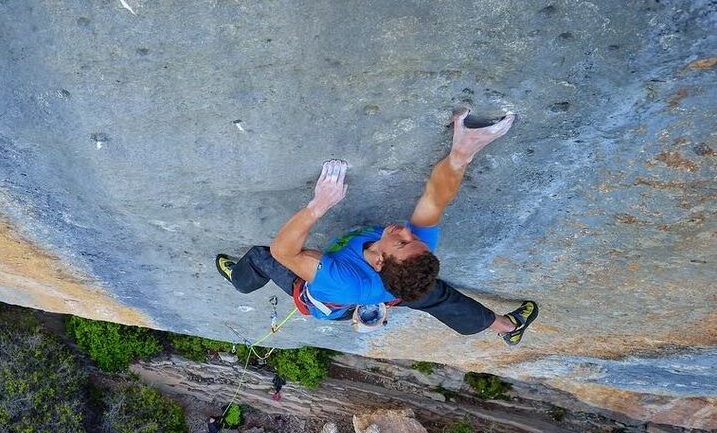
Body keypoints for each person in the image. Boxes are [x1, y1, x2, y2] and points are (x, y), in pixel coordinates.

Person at [215, 109, 538, 345]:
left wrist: (320, 205)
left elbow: (283, 251)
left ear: (381, 261)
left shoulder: (342, 279)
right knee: (436, 294)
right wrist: (460, 155)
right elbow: (436, 198)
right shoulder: (413, 255)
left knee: (259, 258)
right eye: (412, 240)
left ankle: (240, 281)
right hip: (387, 292)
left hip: (334, 302)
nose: (406, 232)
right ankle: (507, 328)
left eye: (400, 242)